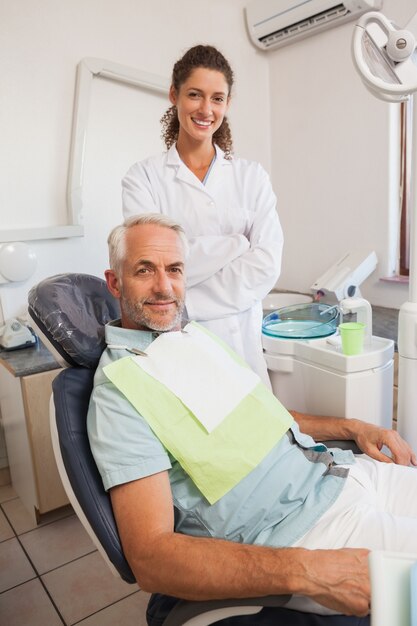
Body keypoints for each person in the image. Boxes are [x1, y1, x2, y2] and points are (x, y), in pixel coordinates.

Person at [87, 214, 417, 624]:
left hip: (344, 475)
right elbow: (151, 556)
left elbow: (264, 414)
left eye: (174, 269)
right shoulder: (119, 391)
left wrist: (354, 428)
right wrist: (308, 570)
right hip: (309, 532)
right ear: (115, 282)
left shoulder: (191, 339)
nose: (163, 286)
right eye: (144, 270)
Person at [122, 45, 283, 386]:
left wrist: (187, 299)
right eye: (195, 95)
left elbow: (267, 264)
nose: (206, 109)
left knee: (257, 432)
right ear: (174, 95)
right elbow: (154, 268)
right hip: (177, 342)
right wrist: (237, 246)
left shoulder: (251, 177)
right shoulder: (143, 178)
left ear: (227, 103)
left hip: (242, 344)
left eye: (217, 98)